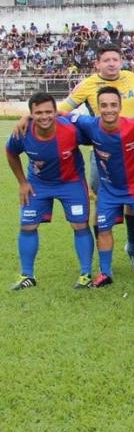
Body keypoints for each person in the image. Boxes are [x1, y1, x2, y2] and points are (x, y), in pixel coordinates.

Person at [58, 43, 134, 268]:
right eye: (106, 60)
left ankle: (133, 246)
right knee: (101, 199)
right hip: (102, 153)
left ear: (121, 61)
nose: (111, 64)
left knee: (132, 201)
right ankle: (102, 254)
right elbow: (62, 112)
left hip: (132, 151)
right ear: (97, 63)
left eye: (115, 59)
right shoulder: (87, 85)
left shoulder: (132, 78)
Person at [71, 86, 134, 288]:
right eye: (104, 105)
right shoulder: (89, 124)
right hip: (109, 190)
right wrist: (26, 119)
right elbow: (63, 117)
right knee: (103, 229)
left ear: (120, 107)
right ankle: (105, 273)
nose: (108, 109)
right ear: (97, 107)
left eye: (113, 105)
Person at [6, 92, 94, 290]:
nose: (44, 116)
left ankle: (86, 274)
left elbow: (96, 135)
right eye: (38, 113)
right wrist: (22, 182)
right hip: (38, 183)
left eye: (48, 112)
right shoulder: (22, 132)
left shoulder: (71, 129)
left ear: (56, 112)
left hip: (71, 182)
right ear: (31, 114)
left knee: (80, 225)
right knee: (27, 226)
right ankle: (27, 275)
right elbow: (11, 154)